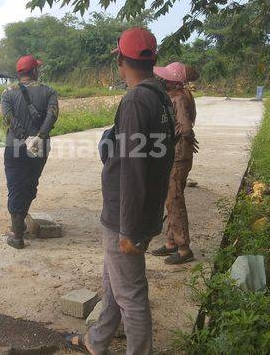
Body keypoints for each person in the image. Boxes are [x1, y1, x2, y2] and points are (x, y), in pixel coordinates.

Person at [66, 28, 175, 355]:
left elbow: (131, 169)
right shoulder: (161, 97)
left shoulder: (135, 101)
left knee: (131, 296)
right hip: (144, 209)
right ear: (153, 61)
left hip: (125, 216)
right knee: (114, 283)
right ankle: (96, 342)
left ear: (121, 61)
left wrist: (128, 228)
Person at [1, 55, 59, 249]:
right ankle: (19, 225)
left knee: (15, 186)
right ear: (35, 71)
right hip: (41, 147)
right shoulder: (49, 91)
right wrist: (40, 136)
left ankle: (17, 233)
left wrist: (25, 137)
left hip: (15, 147)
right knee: (30, 183)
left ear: (19, 73)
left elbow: (8, 118)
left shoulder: (8, 93)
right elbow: (53, 115)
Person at [150, 62, 200, 264]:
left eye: (167, 78)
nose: (163, 80)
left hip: (178, 157)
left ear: (175, 81)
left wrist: (169, 134)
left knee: (175, 201)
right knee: (170, 199)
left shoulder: (178, 99)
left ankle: (183, 247)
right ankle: (171, 242)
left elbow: (185, 128)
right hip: (179, 156)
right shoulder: (183, 96)